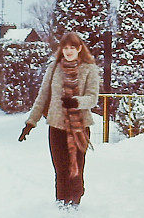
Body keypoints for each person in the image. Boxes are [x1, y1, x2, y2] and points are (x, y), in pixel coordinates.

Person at [18, 32, 101, 206]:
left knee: (76, 170)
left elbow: (93, 98)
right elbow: (42, 96)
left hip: (80, 127)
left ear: (79, 48)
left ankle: (75, 204)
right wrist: (30, 123)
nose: (69, 51)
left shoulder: (89, 68)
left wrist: (76, 102)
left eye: (72, 47)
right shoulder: (54, 68)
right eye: (65, 47)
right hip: (56, 126)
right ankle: (61, 205)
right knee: (61, 170)